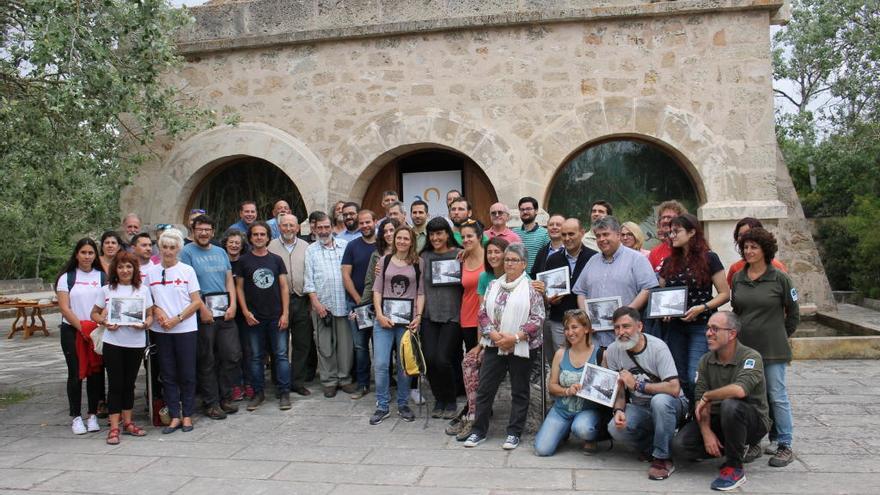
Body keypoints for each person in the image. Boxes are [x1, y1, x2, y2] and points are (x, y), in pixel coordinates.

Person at [671, 311, 770, 491]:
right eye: (708, 328)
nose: (708, 333)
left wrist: (709, 396)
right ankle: (732, 447)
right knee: (680, 447)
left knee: (730, 405)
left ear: (732, 334)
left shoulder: (751, 357)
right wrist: (706, 431)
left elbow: (739, 390)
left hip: (750, 421)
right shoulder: (705, 361)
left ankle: (735, 467)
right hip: (718, 419)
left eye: (715, 329)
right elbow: (699, 400)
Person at [463, 243, 544, 450]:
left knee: (519, 390)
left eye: (514, 260)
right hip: (494, 343)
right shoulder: (493, 285)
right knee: (485, 389)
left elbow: (538, 318)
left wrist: (515, 337)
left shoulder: (531, 288)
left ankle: (514, 433)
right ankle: (478, 431)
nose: (509, 263)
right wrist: (493, 334)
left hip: (521, 346)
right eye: (507, 259)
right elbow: (482, 312)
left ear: (524, 264)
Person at [730, 227, 799, 467]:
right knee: (749, 396)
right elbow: (737, 311)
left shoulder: (779, 278)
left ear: (764, 250)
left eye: (753, 247)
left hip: (773, 349)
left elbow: (794, 313)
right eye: (745, 247)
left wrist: (780, 334)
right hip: (746, 350)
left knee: (776, 396)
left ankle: (784, 444)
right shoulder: (739, 277)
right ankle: (754, 442)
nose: (748, 251)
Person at [606, 306, 687, 481]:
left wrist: (637, 385)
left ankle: (662, 459)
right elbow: (619, 390)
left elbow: (674, 388)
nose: (621, 332)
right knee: (615, 427)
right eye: (617, 328)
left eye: (626, 326)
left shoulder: (658, 347)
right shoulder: (613, 350)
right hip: (641, 407)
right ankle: (657, 447)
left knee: (659, 402)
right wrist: (618, 410)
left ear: (640, 327)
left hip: (672, 405)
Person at [659, 213, 730, 402]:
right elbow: (661, 293)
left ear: (691, 232)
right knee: (679, 377)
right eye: (670, 232)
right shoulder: (668, 262)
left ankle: (700, 415)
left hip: (701, 325)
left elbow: (724, 293)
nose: (672, 235)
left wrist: (702, 307)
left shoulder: (709, 258)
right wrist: (664, 311)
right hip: (676, 328)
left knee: (694, 376)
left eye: (677, 231)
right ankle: (689, 417)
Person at [180, 214, 241, 420]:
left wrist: (233, 304)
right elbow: (187, 284)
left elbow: (228, 280)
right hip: (202, 311)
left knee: (231, 355)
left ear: (213, 232)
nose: (204, 233)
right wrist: (201, 309)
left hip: (225, 310)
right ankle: (211, 403)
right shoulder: (186, 253)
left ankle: (225, 397)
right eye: (200, 229)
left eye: (207, 229)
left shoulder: (221, 252)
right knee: (207, 358)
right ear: (193, 231)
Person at [447, 236, 509, 441]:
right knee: (470, 360)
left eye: (497, 252)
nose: (493, 256)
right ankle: (473, 415)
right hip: (489, 338)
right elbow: (483, 314)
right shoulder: (485, 278)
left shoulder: (517, 276)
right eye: (489, 252)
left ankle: (478, 412)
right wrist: (480, 345)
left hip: (512, 340)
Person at [90, 251, 153, 444]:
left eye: (128, 266)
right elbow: (94, 313)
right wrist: (104, 321)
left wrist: (144, 324)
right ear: (115, 269)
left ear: (134, 269)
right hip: (113, 342)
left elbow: (150, 316)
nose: (125, 270)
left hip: (135, 343)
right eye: (121, 266)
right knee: (116, 384)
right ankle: (114, 427)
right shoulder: (107, 289)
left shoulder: (142, 289)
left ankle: (128, 423)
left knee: (129, 384)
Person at [146, 228, 203, 434]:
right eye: (164, 247)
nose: (168, 251)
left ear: (178, 249)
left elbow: (196, 302)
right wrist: (158, 311)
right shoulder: (150, 272)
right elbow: (148, 300)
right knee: (168, 374)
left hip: (185, 329)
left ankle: (187, 414)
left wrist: (177, 318)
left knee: (187, 373)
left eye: (172, 247)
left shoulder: (187, 270)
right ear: (159, 248)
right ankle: (174, 416)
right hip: (161, 330)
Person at [573, 216, 659, 347]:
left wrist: (625, 314)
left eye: (606, 234)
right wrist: (587, 318)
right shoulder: (592, 261)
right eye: (598, 236)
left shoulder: (637, 259)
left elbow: (647, 289)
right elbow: (581, 292)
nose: (602, 239)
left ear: (618, 235)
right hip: (595, 339)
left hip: (625, 336)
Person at [370, 224, 425, 425]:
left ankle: (403, 404)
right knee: (381, 363)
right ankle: (382, 405)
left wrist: (418, 316)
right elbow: (377, 290)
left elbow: (420, 292)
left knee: (404, 365)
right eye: (398, 238)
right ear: (393, 240)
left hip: (406, 322)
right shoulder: (383, 261)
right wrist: (379, 314)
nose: (402, 241)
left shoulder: (418, 263)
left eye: (406, 238)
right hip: (384, 321)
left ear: (411, 241)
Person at [234, 222, 291, 411]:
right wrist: (245, 312)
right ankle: (258, 393)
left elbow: (284, 287)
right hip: (254, 317)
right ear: (250, 238)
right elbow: (239, 288)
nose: (259, 237)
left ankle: (284, 392)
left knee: (281, 355)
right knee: (256, 357)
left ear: (268, 237)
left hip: (276, 316)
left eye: (262, 234)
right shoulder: (243, 261)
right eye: (255, 234)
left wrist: (285, 313)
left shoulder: (276, 260)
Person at [534, 310, 606, 456]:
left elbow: (605, 389)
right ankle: (563, 429)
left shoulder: (600, 354)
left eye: (574, 327)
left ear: (586, 329)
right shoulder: (560, 354)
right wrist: (567, 391)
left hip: (587, 410)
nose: (569, 332)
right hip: (562, 409)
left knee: (582, 428)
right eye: (567, 328)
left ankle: (591, 437)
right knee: (542, 450)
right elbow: (552, 386)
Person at [56, 238, 106, 435]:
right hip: (73, 331)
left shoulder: (102, 276)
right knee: (76, 374)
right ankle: (76, 417)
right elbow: (64, 307)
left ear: (95, 255)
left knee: (95, 373)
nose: (87, 256)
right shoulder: (66, 278)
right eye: (83, 252)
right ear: (76, 254)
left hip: (95, 331)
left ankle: (93, 414)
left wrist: (95, 324)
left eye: (91, 253)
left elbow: (106, 303)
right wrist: (82, 327)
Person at [304, 213, 355, 398]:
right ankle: (329, 381)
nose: (324, 231)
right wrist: (316, 303)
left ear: (332, 227)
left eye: (327, 227)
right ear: (314, 229)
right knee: (325, 346)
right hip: (322, 306)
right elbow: (308, 281)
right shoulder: (311, 250)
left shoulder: (345, 246)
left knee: (345, 345)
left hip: (343, 303)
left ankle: (345, 379)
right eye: (320, 228)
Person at [420, 217, 463, 419]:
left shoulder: (459, 255)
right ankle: (439, 398)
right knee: (428, 359)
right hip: (429, 316)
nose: (436, 237)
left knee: (443, 359)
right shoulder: (423, 257)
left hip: (452, 316)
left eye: (439, 233)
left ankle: (451, 399)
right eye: (432, 234)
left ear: (447, 234)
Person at [268, 212, 314, 397]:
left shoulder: (306, 246)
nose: (288, 229)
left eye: (291, 225)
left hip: (301, 300)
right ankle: (280, 382)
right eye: (285, 225)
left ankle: (297, 381)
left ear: (297, 228)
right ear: (279, 227)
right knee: (279, 346)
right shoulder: (270, 246)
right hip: (278, 302)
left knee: (302, 344)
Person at [542, 218, 597, 351]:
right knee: (562, 360)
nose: (567, 238)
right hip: (560, 322)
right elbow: (546, 291)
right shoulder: (552, 259)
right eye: (564, 234)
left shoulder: (594, 258)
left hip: (586, 322)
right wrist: (549, 299)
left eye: (571, 234)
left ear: (582, 233)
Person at [341, 210, 378, 398]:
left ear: (375, 222)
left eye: (368, 222)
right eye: (361, 223)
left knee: (380, 345)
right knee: (361, 346)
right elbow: (345, 274)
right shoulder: (352, 246)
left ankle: (384, 383)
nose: (365, 226)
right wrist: (358, 300)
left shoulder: (383, 245)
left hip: (380, 305)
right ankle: (363, 384)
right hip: (357, 304)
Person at [223, 230, 253, 401]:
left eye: (237, 243)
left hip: (245, 312)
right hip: (226, 313)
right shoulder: (221, 262)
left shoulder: (245, 262)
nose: (234, 245)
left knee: (247, 350)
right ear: (225, 243)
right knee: (231, 352)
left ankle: (248, 383)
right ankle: (234, 384)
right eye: (231, 242)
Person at [725, 218, 787, 288]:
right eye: (740, 235)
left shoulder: (777, 267)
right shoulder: (735, 268)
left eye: (747, 233)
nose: (744, 238)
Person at [649, 200, 688, 273]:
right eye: (663, 218)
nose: (665, 221)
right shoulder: (654, 253)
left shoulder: (690, 248)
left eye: (669, 217)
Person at [515, 197, 550, 273]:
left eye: (528, 209)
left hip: (536, 277)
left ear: (536, 211)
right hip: (517, 276)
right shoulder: (514, 232)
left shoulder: (545, 234)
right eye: (522, 209)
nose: (525, 212)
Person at [530, 213, 565, 278]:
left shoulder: (572, 251)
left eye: (558, 225)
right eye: (551, 225)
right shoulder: (541, 252)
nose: (554, 227)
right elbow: (534, 275)